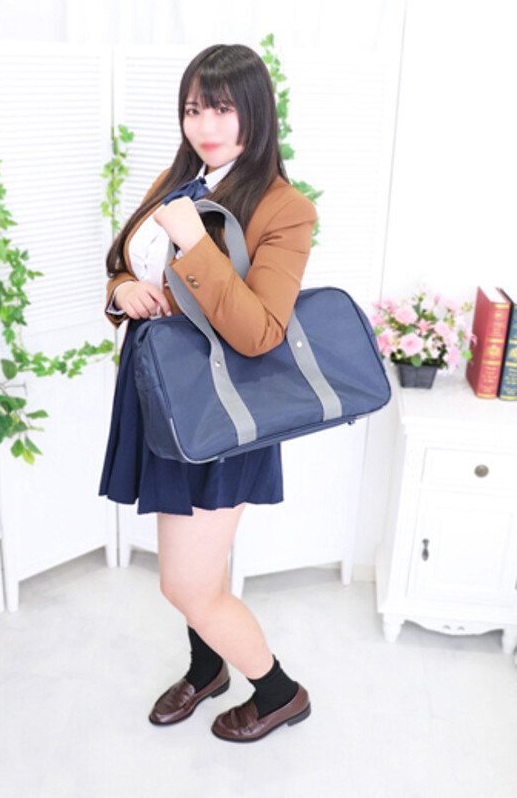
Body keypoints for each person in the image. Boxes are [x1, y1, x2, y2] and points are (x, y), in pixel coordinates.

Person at [99, 43, 316, 742]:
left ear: (255, 111)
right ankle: (206, 668)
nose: (205, 125)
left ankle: (280, 693)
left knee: (186, 583)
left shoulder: (285, 209)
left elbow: (260, 333)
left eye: (222, 108)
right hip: (159, 394)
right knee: (195, 566)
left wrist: (194, 242)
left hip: (225, 413)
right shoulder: (177, 178)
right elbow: (124, 260)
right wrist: (122, 291)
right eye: (194, 109)